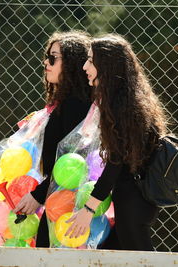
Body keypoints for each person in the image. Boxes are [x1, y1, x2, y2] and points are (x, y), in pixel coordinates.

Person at [65, 33, 169, 251]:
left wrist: (88, 209)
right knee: (112, 253)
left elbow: (115, 163)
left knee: (140, 259)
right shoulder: (125, 101)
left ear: (108, 66)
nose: (85, 66)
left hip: (134, 200)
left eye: (91, 60)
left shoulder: (122, 107)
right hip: (132, 198)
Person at [13, 30, 93, 247]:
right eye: (46, 57)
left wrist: (38, 195)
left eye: (53, 58)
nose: (46, 63)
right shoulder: (64, 102)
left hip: (69, 206)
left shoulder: (76, 104)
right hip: (59, 200)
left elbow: (74, 161)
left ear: (72, 63)